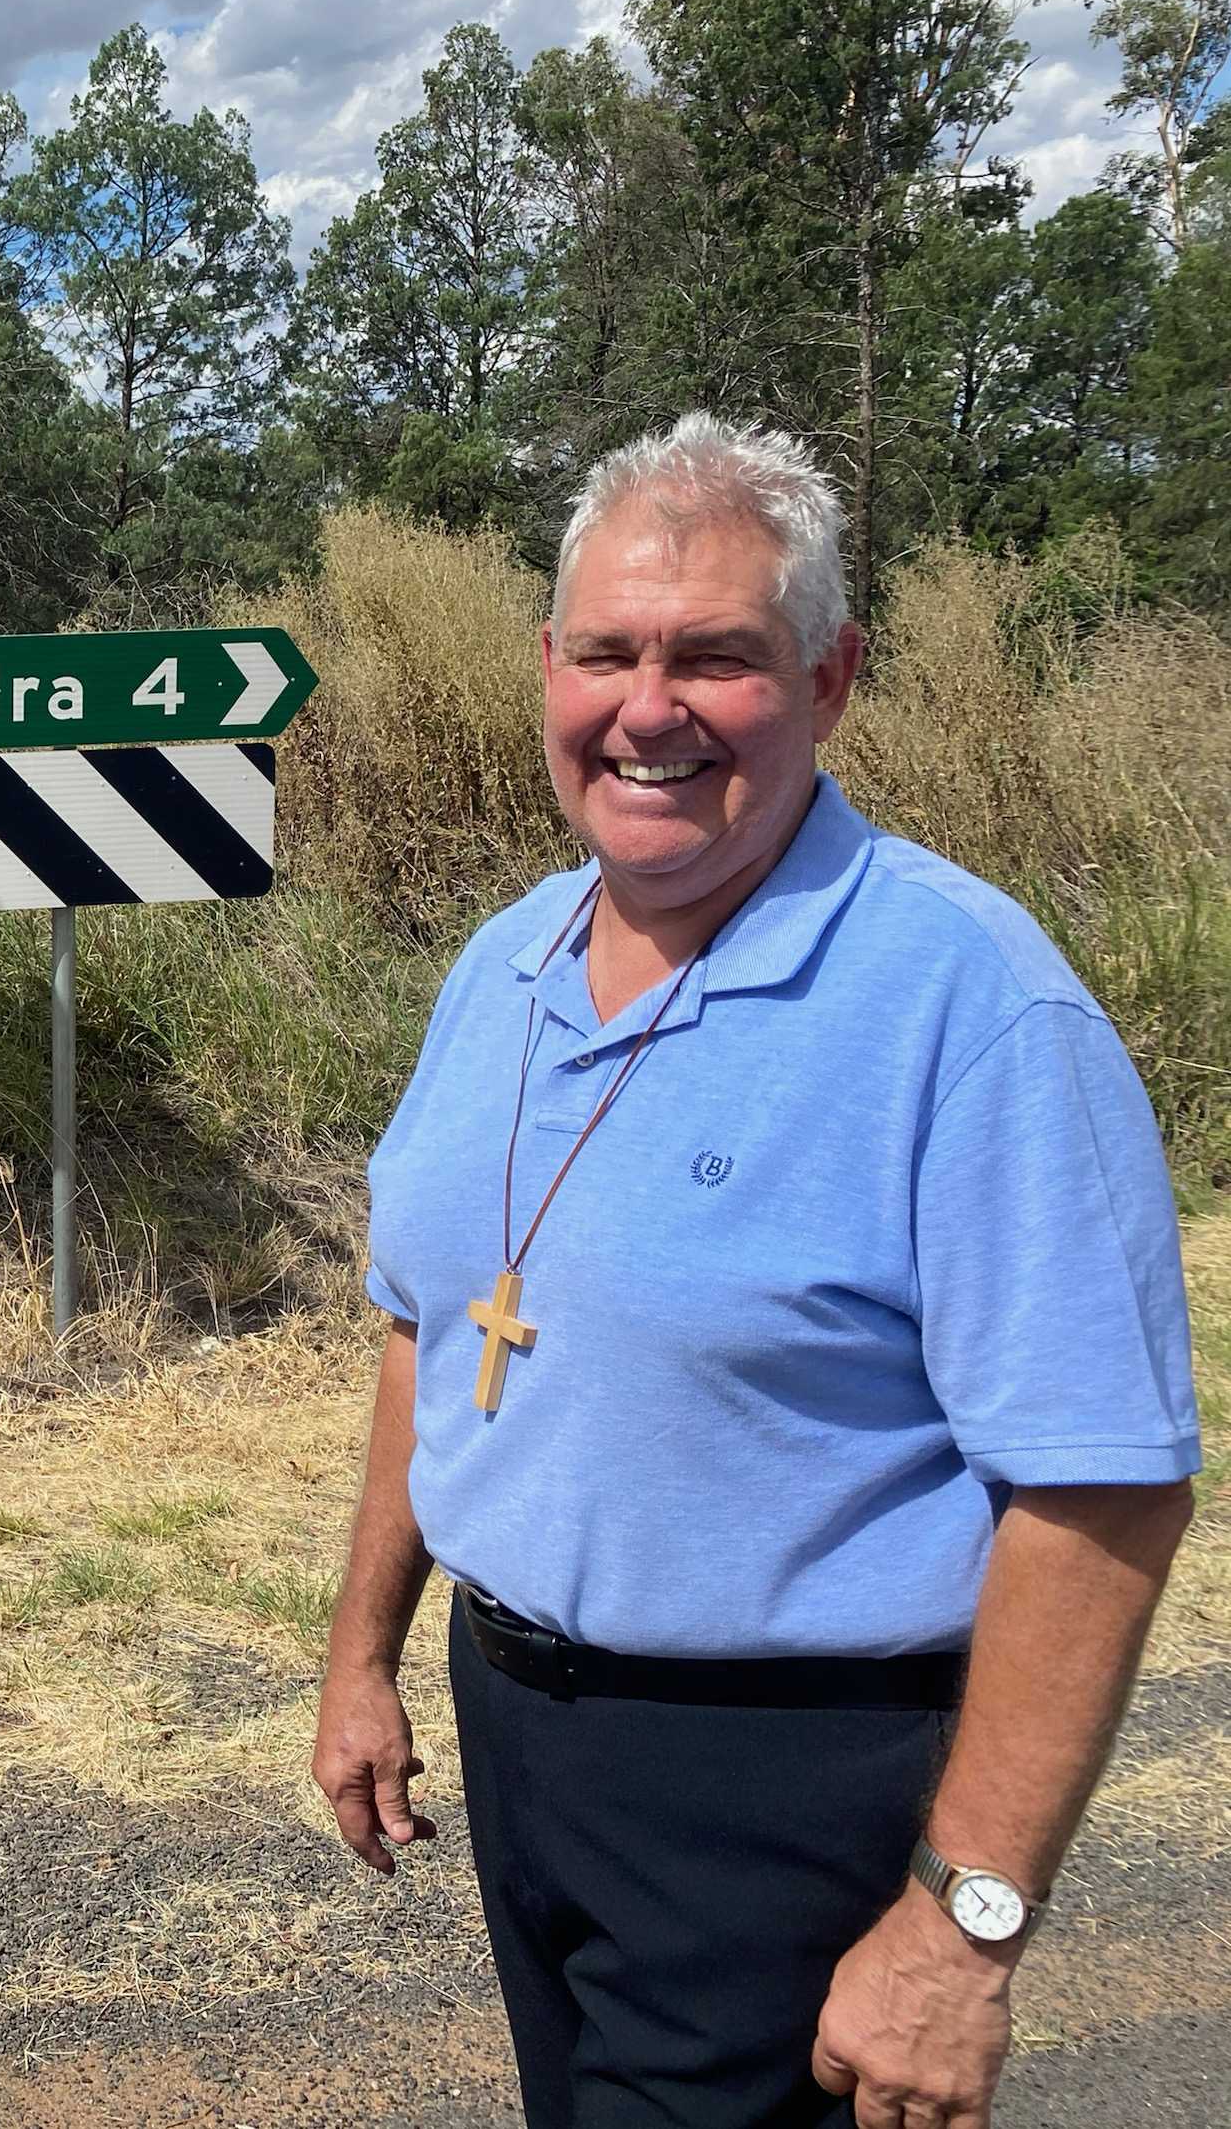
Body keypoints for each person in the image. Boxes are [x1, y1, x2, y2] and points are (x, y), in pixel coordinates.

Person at [311, 412, 1199, 2129]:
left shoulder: (969, 1007)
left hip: (791, 1786)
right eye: (608, 652)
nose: (650, 708)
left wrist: (960, 1932)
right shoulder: (504, 963)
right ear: (547, 665)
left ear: (832, 677)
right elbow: (428, 1327)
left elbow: (1101, 1491)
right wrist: (367, 1650)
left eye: (718, 656)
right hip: (525, 1736)